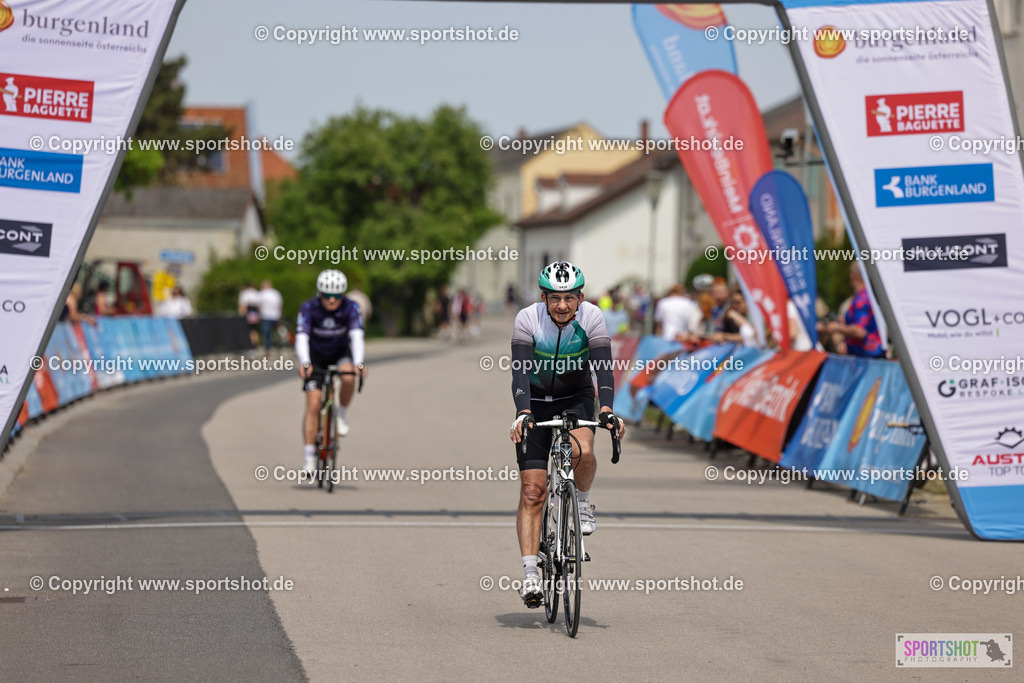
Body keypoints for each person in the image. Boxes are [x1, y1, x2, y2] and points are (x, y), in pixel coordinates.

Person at [509, 261, 625, 608]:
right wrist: (523, 412)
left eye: (569, 298)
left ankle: (584, 504)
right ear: (544, 297)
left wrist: (606, 409)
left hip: (576, 398)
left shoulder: (592, 317)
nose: (562, 306)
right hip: (536, 402)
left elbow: (603, 366)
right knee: (532, 491)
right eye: (555, 298)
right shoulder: (527, 318)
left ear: (581, 298)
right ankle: (531, 575)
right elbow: (520, 371)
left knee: (583, 452)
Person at [296, 270, 366, 473]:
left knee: (348, 376)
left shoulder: (351, 307)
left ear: (343, 294)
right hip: (316, 356)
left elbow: (357, 336)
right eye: (327, 295)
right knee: (314, 403)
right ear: (320, 293)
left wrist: (359, 363)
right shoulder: (309, 308)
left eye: (337, 295)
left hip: (339, 353)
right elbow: (301, 337)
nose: (332, 299)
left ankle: (342, 414)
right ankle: (309, 456)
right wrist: (305, 362)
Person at [817, 263, 884, 358]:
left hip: (868, 358)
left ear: (852, 275)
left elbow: (860, 331)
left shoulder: (862, 299)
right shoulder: (868, 295)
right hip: (868, 357)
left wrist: (838, 328)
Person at [259, 280, 283, 353]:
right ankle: (280, 346)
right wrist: (280, 314)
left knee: (267, 333)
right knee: (277, 332)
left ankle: (268, 348)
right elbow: (280, 305)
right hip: (276, 315)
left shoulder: (262, 293)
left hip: (266, 316)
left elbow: (258, 305)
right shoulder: (276, 293)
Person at [238, 282, 261, 348]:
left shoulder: (245, 293)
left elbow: (243, 305)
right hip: (255, 313)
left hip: (249, 312)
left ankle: (251, 345)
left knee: (249, 330)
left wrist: (241, 314)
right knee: (255, 329)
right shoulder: (256, 293)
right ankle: (256, 344)